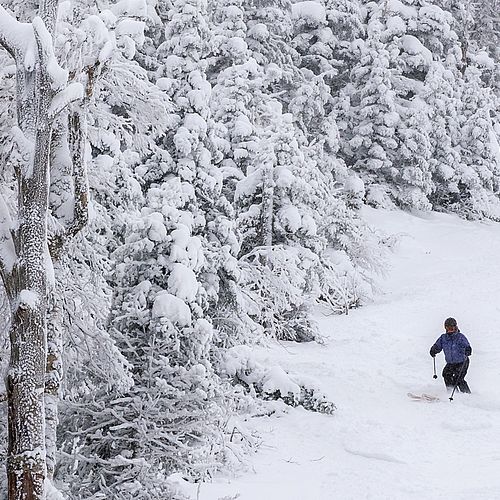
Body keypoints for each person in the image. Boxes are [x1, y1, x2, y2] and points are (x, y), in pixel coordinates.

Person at [430, 317, 472, 393]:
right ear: (445, 328)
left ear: (455, 327)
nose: (450, 330)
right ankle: (452, 392)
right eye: (448, 328)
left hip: (462, 362)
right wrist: (434, 349)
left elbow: (467, 346)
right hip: (451, 363)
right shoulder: (443, 338)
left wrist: (468, 350)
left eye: (452, 327)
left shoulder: (460, 337)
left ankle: (467, 394)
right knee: (446, 374)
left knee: (458, 378)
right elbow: (438, 346)